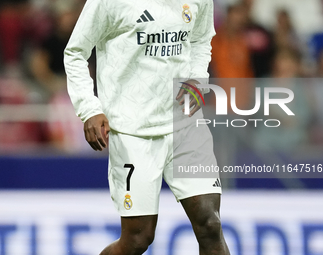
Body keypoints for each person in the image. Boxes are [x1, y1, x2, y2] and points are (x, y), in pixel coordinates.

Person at [64, 0, 230, 254]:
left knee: (210, 224)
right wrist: (90, 108)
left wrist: (197, 79)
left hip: (185, 124)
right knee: (138, 239)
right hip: (133, 130)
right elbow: (75, 52)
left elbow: (200, 39)